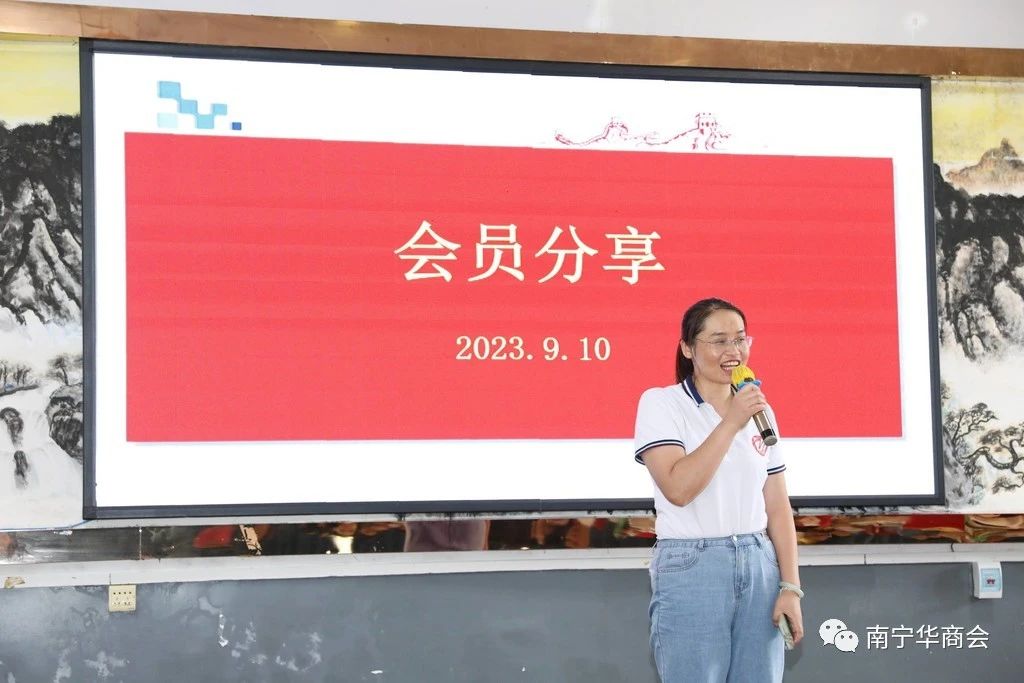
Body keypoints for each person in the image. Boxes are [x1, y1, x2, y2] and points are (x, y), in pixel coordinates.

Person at [634, 297, 803, 682]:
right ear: (688, 348)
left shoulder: (760, 412)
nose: (733, 351)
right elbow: (678, 488)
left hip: (759, 563)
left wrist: (791, 586)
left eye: (740, 339)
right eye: (719, 341)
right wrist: (731, 422)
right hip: (693, 564)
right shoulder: (662, 404)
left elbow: (778, 505)